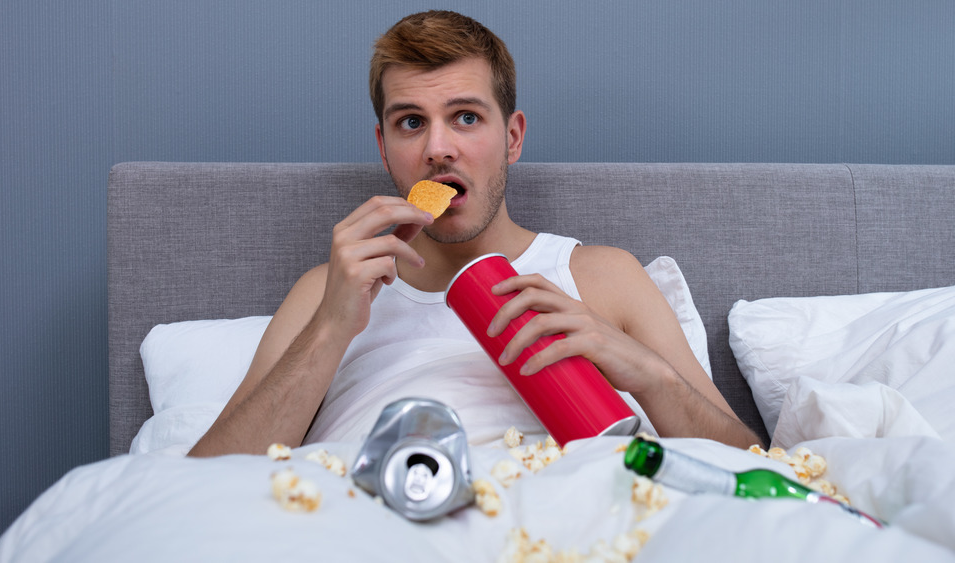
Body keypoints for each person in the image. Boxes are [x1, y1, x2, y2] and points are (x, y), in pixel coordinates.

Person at [188, 10, 760, 457]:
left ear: (512, 138)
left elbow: (762, 468)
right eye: (411, 122)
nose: (438, 148)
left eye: (466, 117)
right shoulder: (327, 289)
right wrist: (332, 328)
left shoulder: (604, 276)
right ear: (385, 149)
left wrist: (649, 374)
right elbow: (198, 486)